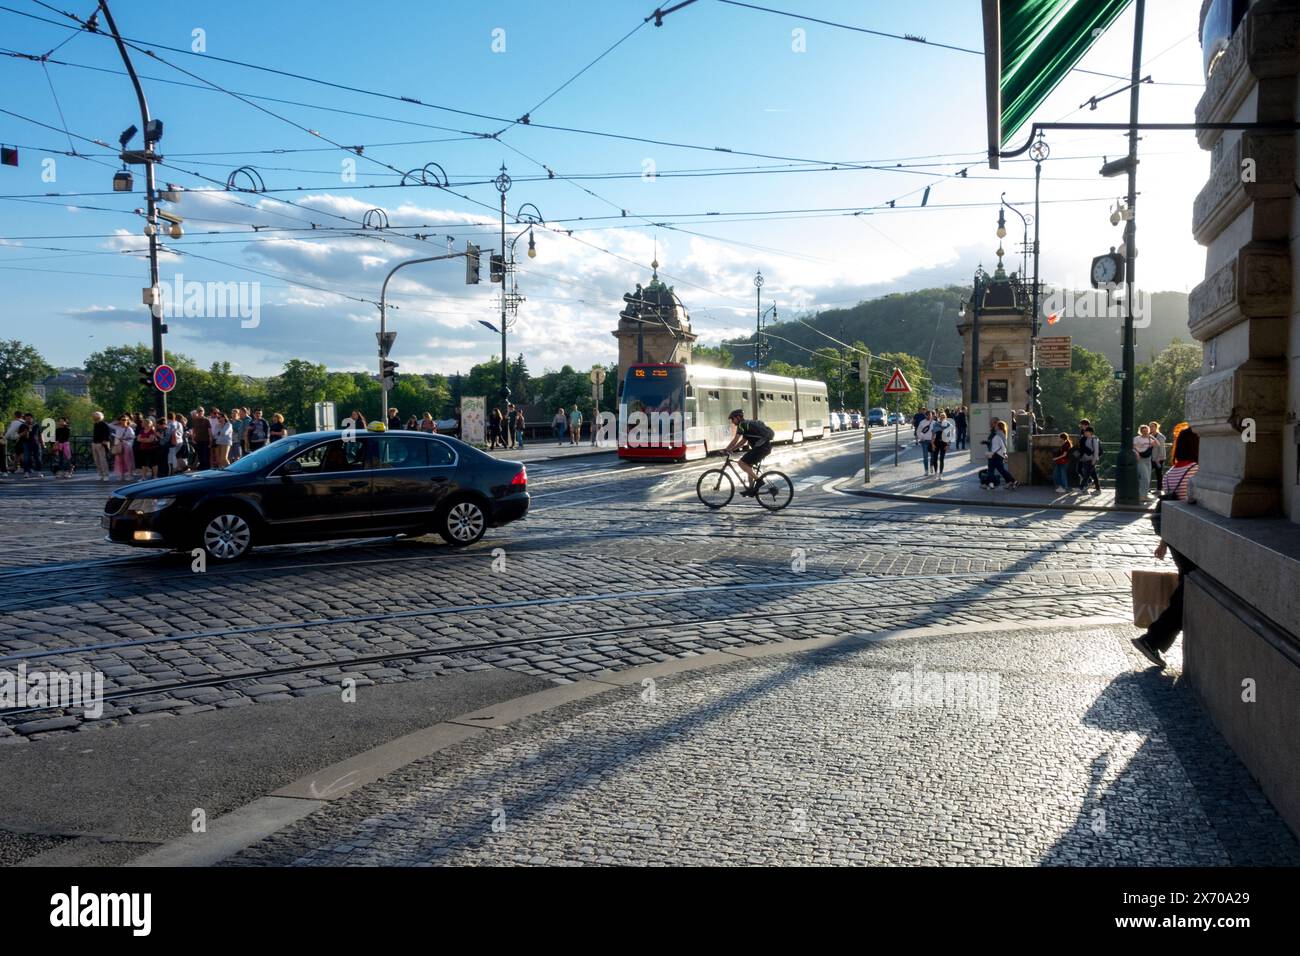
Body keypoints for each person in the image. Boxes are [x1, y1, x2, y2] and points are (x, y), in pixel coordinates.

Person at [1132, 428, 1200, 669]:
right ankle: (1153, 639)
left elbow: (1168, 509)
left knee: (1186, 587)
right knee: (1188, 590)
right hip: (1193, 540)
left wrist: (1164, 543)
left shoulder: (1172, 472)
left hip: (1176, 541)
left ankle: (1155, 639)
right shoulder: (1196, 471)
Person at [724, 409, 775, 495]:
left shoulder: (742, 425)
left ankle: (759, 481)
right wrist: (731, 450)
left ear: (738, 417)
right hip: (765, 447)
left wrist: (726, 450)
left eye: (733, 419)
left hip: (761, 448)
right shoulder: (747, 425)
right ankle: (751, 489)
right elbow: (743, 442)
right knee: (748, 465)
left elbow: (735, 440)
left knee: (741, 463)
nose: (732, 422)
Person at [985, 420, 1017, 490]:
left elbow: (999, 445)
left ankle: (992, 484)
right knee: (999, 469)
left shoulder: (998, 434)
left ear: (999, 427)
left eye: (996, 426)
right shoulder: (1002, 433)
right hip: (998, 454)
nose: (995, 427)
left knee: (992, 469)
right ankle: (1011, 481)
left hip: (995, 454)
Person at [1133, 424, 1156, 499]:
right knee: (1144, 477)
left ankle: (1144, 495)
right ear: (1140, 432)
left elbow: (1158, 444)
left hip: (1148, 459)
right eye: (1143, 431)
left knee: (1148, 478)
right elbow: (1132, 447)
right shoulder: (1137, 438)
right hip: (1140, 459)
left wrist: (1152, 437)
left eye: (1146, 431)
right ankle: (1141, 495)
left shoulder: (1150, 439)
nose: (1145, 432)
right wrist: (1137, 454)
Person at [1077, 425, 1101, 494]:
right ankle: (1098, 489)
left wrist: (1094, 461)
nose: (1085, 433)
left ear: (1090, 432)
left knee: (1087, 474)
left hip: (1092, 460)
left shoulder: (1094, 439)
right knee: (1094, 475)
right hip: (1086, 460)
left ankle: (1081, 488)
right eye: (1085, 432)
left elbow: (1096, 451)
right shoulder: (1087, 439)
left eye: (1086, 431)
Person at [112, 414, 135, 480]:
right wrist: (117, 421)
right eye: (122, 420)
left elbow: (133, 437)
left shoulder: (129, 428)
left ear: (127, 420)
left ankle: (130, 475)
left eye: (125, 420)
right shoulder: (117, 427)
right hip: (119, 446)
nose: (123, 421)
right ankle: (121, 475)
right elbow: (109, 425)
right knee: (119, 461)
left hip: (127, 445)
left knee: (127, 460)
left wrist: (125, 438)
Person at [91, 411, 112, 481]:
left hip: (101, 444)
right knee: (96, 460)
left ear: (100, 417)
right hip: (94, 443)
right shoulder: (95, 424)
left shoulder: (104, 424)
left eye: (96, 416)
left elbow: (108, 434)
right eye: (94, 416)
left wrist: (104, 441)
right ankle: (100, 474)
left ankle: (106, 475)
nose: (94, 417)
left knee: (102, 460)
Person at [931, 411, 954, 477]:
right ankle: (935, 473)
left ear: (946, 417)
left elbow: (950, 436)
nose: (942, 418)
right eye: (941, 416)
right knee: (935, 458)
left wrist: (948, 445)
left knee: (942, 459)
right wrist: (932, 443)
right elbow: (933, 434)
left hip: (944, 443)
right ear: (939, 417)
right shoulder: (936, 424)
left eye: (944, 417)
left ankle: (940, 473)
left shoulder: (948, 424)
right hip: (936, 442)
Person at [915, 410, 935, 476]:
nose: (929, 416)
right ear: (926, 415)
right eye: (928, 415)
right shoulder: (922, 422)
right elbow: (918, 431)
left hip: (932, 441)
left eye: (931, 415)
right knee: (925, 456)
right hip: (924, 442)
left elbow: (937, 432)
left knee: (933, 456)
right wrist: (921, 438)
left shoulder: (934, 423)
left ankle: (931, 466)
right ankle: (926, 471)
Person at [1148, 421, 1165, 494]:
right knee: (1147, 473)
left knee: (1158, 474)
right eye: (1150, 426)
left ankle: (1159, 489)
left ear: (1156, 427)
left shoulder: (1160, 436)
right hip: (1150, 458)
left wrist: (1159, 458)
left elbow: (1161, 448)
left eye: (1153, 426)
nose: (1151, 428)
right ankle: (1146, 488)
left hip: (1158, 458)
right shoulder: (1149, 435)